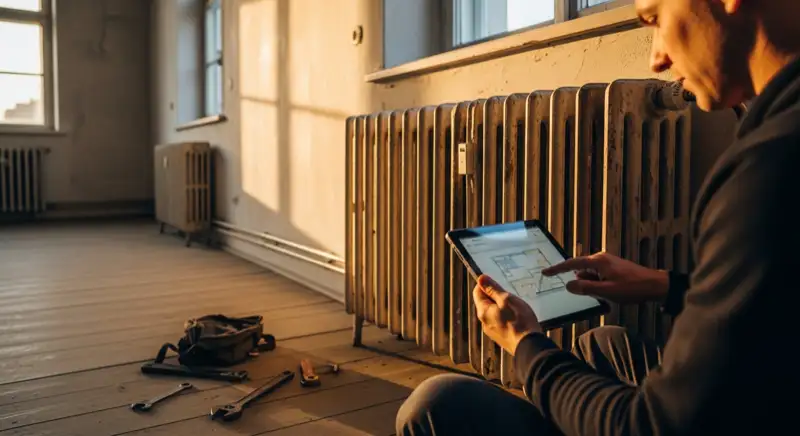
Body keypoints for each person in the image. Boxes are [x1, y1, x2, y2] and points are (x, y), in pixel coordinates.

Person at [396, 0, 800, 434]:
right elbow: (776, 309)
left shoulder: (768, 173)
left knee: (436, 403)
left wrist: (526, 344)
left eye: (655, 18)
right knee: (602, 343)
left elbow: (651, 427)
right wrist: (662, 284)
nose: (657, 59)